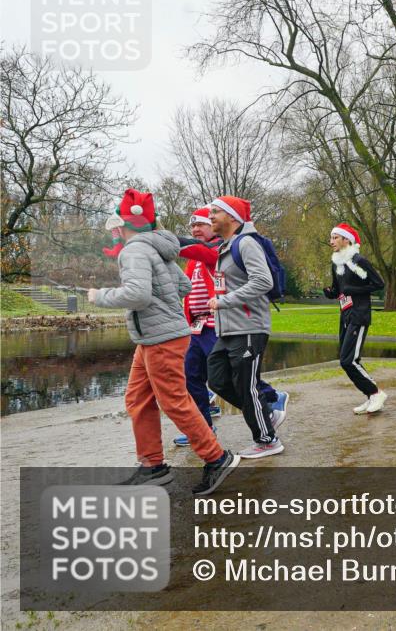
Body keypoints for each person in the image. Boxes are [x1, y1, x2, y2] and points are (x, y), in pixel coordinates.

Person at [90, 188, 239, 495]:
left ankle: (217, 458)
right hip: (152, 338)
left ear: (128, 224)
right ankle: (152, 466)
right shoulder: (157, 248)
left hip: (161, 339)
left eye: (118, 224)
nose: (115, 230)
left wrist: (99, 296)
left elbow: (138, 295)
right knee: (137, 399)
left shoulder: (134, 250)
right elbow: (183, 285)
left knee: (173, 401)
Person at [174, 207, 289, 447]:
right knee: (197, 376)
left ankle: (269, 405)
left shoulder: (219, 248)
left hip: (224, 322)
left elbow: (259, 280)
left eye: (202, 224)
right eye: (192, 226)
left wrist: (159, 236)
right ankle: (202, 427)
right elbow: (188, 286)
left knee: (239, 378)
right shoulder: (197, 258)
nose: (196, 230)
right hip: (198, 327)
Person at [206, 196, 283, 458]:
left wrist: (224, 301)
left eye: (216, 212)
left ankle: (267, 440)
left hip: (249, 328)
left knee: (246, 386)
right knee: (216, 379)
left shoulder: (246, 243)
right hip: (228, 330)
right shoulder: (225, 247)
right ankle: (267, 412)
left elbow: (264, 281)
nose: (210, 216)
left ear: (232, 217)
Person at [324, 223, 389, 415]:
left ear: (346, 240)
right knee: (351, 360)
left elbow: (378, 284)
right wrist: (330, 292)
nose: (331, 241)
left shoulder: (359, 260)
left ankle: (376, 393)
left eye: (335, 237)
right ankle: (371, 396)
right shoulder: (336, 263)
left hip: (359, 315)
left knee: (347, 361)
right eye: (331, 237)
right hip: (345, 315)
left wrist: (355, 290)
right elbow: (338, 290)